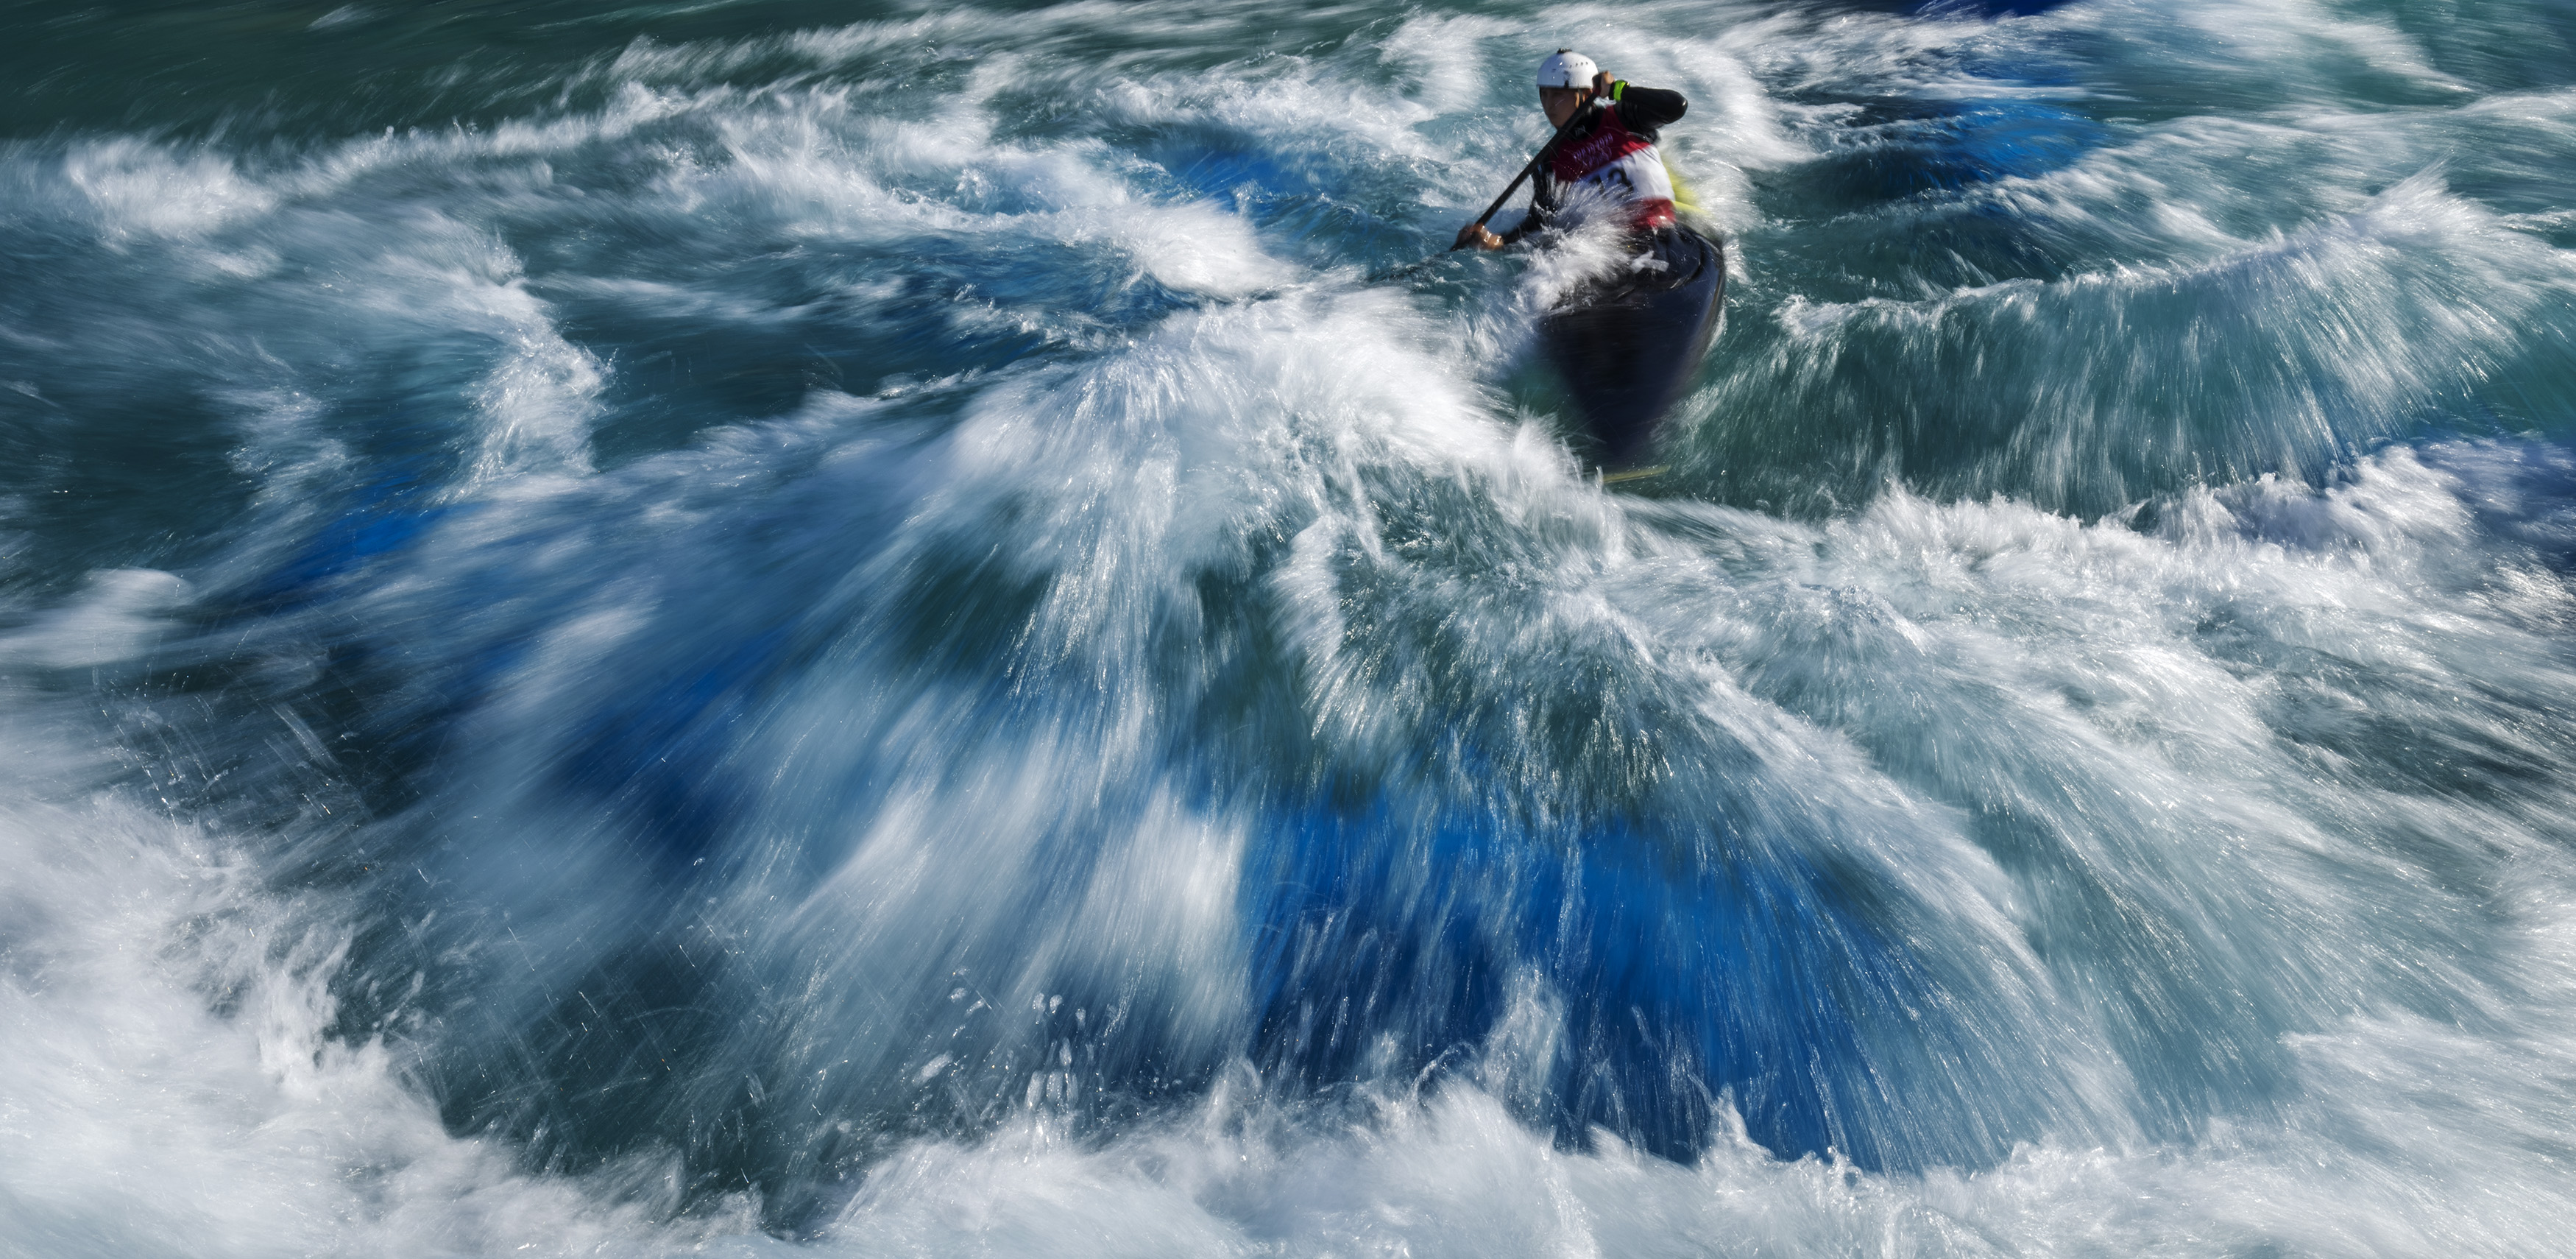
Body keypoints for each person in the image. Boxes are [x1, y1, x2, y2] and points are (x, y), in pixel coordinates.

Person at [1453, 50, 1690, 251]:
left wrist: (1619, 90)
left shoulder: (1624, 118)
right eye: (1544, 94)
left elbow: (1676, 106)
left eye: (1558, 95)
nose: (1548, 105)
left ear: (1585, 94)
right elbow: (1540, 222)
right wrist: (1495, 241)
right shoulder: (1551, 160)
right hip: (1609, 251)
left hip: (1661, 233)